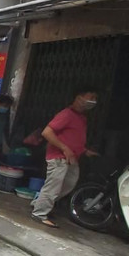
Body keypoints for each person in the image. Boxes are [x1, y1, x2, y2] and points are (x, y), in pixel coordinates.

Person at [30, 86, 99, 228]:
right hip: (59, 157)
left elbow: (73, 138)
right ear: (79, 97)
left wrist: (84, 151)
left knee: (68, 184)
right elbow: (47, 132)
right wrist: (65, 148)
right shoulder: (66, 114)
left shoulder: (81, 117)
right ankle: (39, 213)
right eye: (91, 97)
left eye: (95, 98)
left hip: (71, 158)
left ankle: (39, 203)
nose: (93, 101)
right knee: (53, 187)